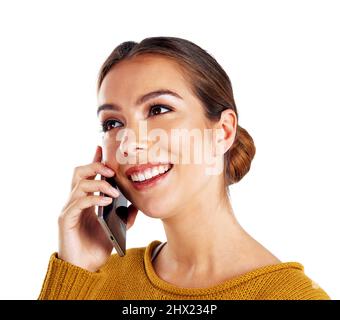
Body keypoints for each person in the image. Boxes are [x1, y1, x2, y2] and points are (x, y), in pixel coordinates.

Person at [38, 36, 330, 300]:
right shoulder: (93, 280)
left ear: (223, 131)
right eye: (113, 123)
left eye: (158, 110)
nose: (129, 144)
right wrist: (74, 272)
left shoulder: (292, 296)